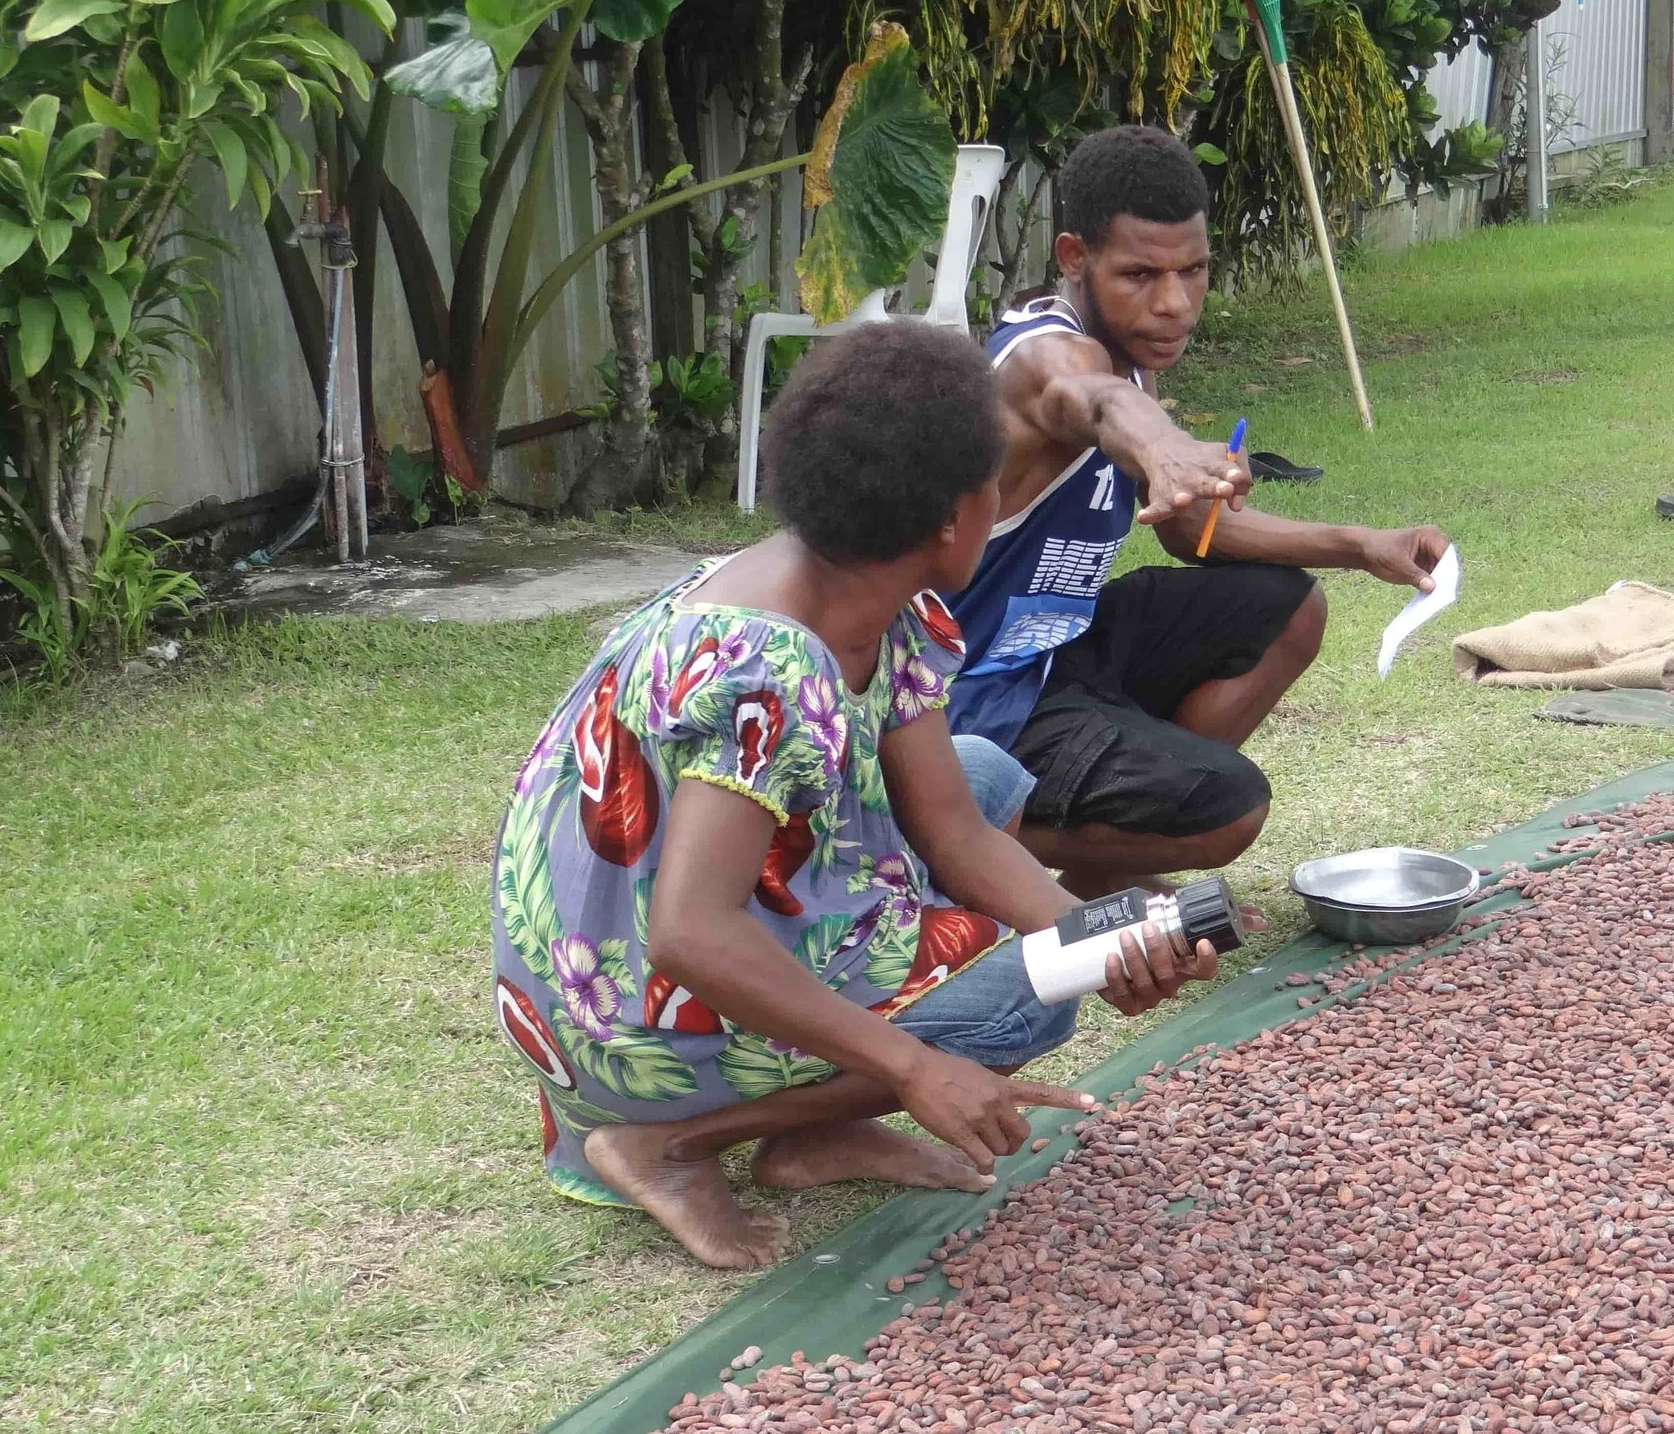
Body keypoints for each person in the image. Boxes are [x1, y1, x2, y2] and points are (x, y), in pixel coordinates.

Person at [488, 322, 1217, 1270]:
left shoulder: (877, 599)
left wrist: (1113, 935)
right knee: (1025, 1001)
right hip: (626, 1001)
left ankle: (808, 1133)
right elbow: (689, 931)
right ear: (957, 518)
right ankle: (666, 1142)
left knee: (982, 777)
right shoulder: (767, 663)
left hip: (682, 918)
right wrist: (916, 1070)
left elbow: (954, 825)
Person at [952, 123, 1451, 899]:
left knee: (1286, 606)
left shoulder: (1127, 352)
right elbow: (1089, 399)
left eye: (1194, 271)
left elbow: (1192, 533)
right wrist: (1165, 448)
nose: (1176, 303)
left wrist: (1361, 545)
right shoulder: (1043, 356)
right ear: (1075, 259)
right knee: (1228, 811)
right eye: (1142, 274)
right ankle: (942, 833)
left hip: (1057, 652)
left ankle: (1100, 858)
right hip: (966, 697)